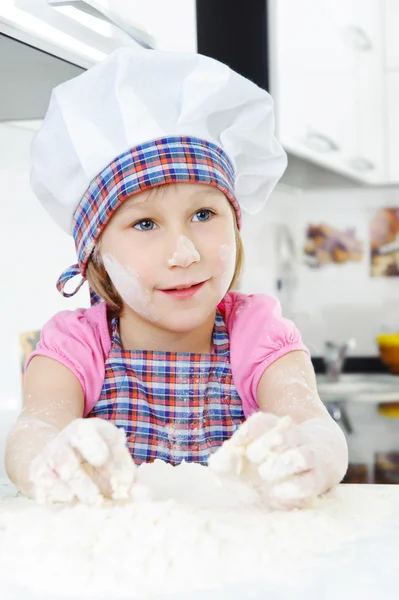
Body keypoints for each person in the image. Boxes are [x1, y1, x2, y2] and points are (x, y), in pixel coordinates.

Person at [5, 48, 348, 510]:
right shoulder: (75, 346)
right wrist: (51, 460)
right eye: (145, 224)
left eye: (204, 213)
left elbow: (314, 424)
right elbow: (34, 431)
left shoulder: (258, 333)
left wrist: (311, 457)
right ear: (95, 256)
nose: (184, 253)